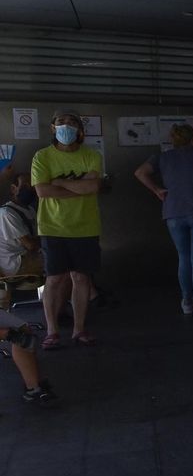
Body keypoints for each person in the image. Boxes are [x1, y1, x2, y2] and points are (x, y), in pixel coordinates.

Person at [30, 111, 103, 349]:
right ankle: (52, 331)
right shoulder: (42, 157)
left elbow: (93, 186)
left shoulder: (91, 155)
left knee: (81, 278)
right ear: (52, 128)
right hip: (52, 226)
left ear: (80, 129)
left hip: (85, 226)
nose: (66, 127)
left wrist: (59, 183)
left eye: (72, 123)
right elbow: (42, 191)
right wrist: (78, 188)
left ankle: (79, 329)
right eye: (61, 123)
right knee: (54, 279)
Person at [134, 124, 193, 319]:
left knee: (184, 258)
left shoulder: (162, 157)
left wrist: (157, 190)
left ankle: (186, 302)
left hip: (172, 212)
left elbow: (139, 172)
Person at [0, 173, 42, 281]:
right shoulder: (7, 213)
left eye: (31, 185)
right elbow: (30, 245)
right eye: (25, 186)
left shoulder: (30, 210)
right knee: (61, 260)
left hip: (29, 256)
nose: (30, 188)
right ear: (14, 189)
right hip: (15, 264)